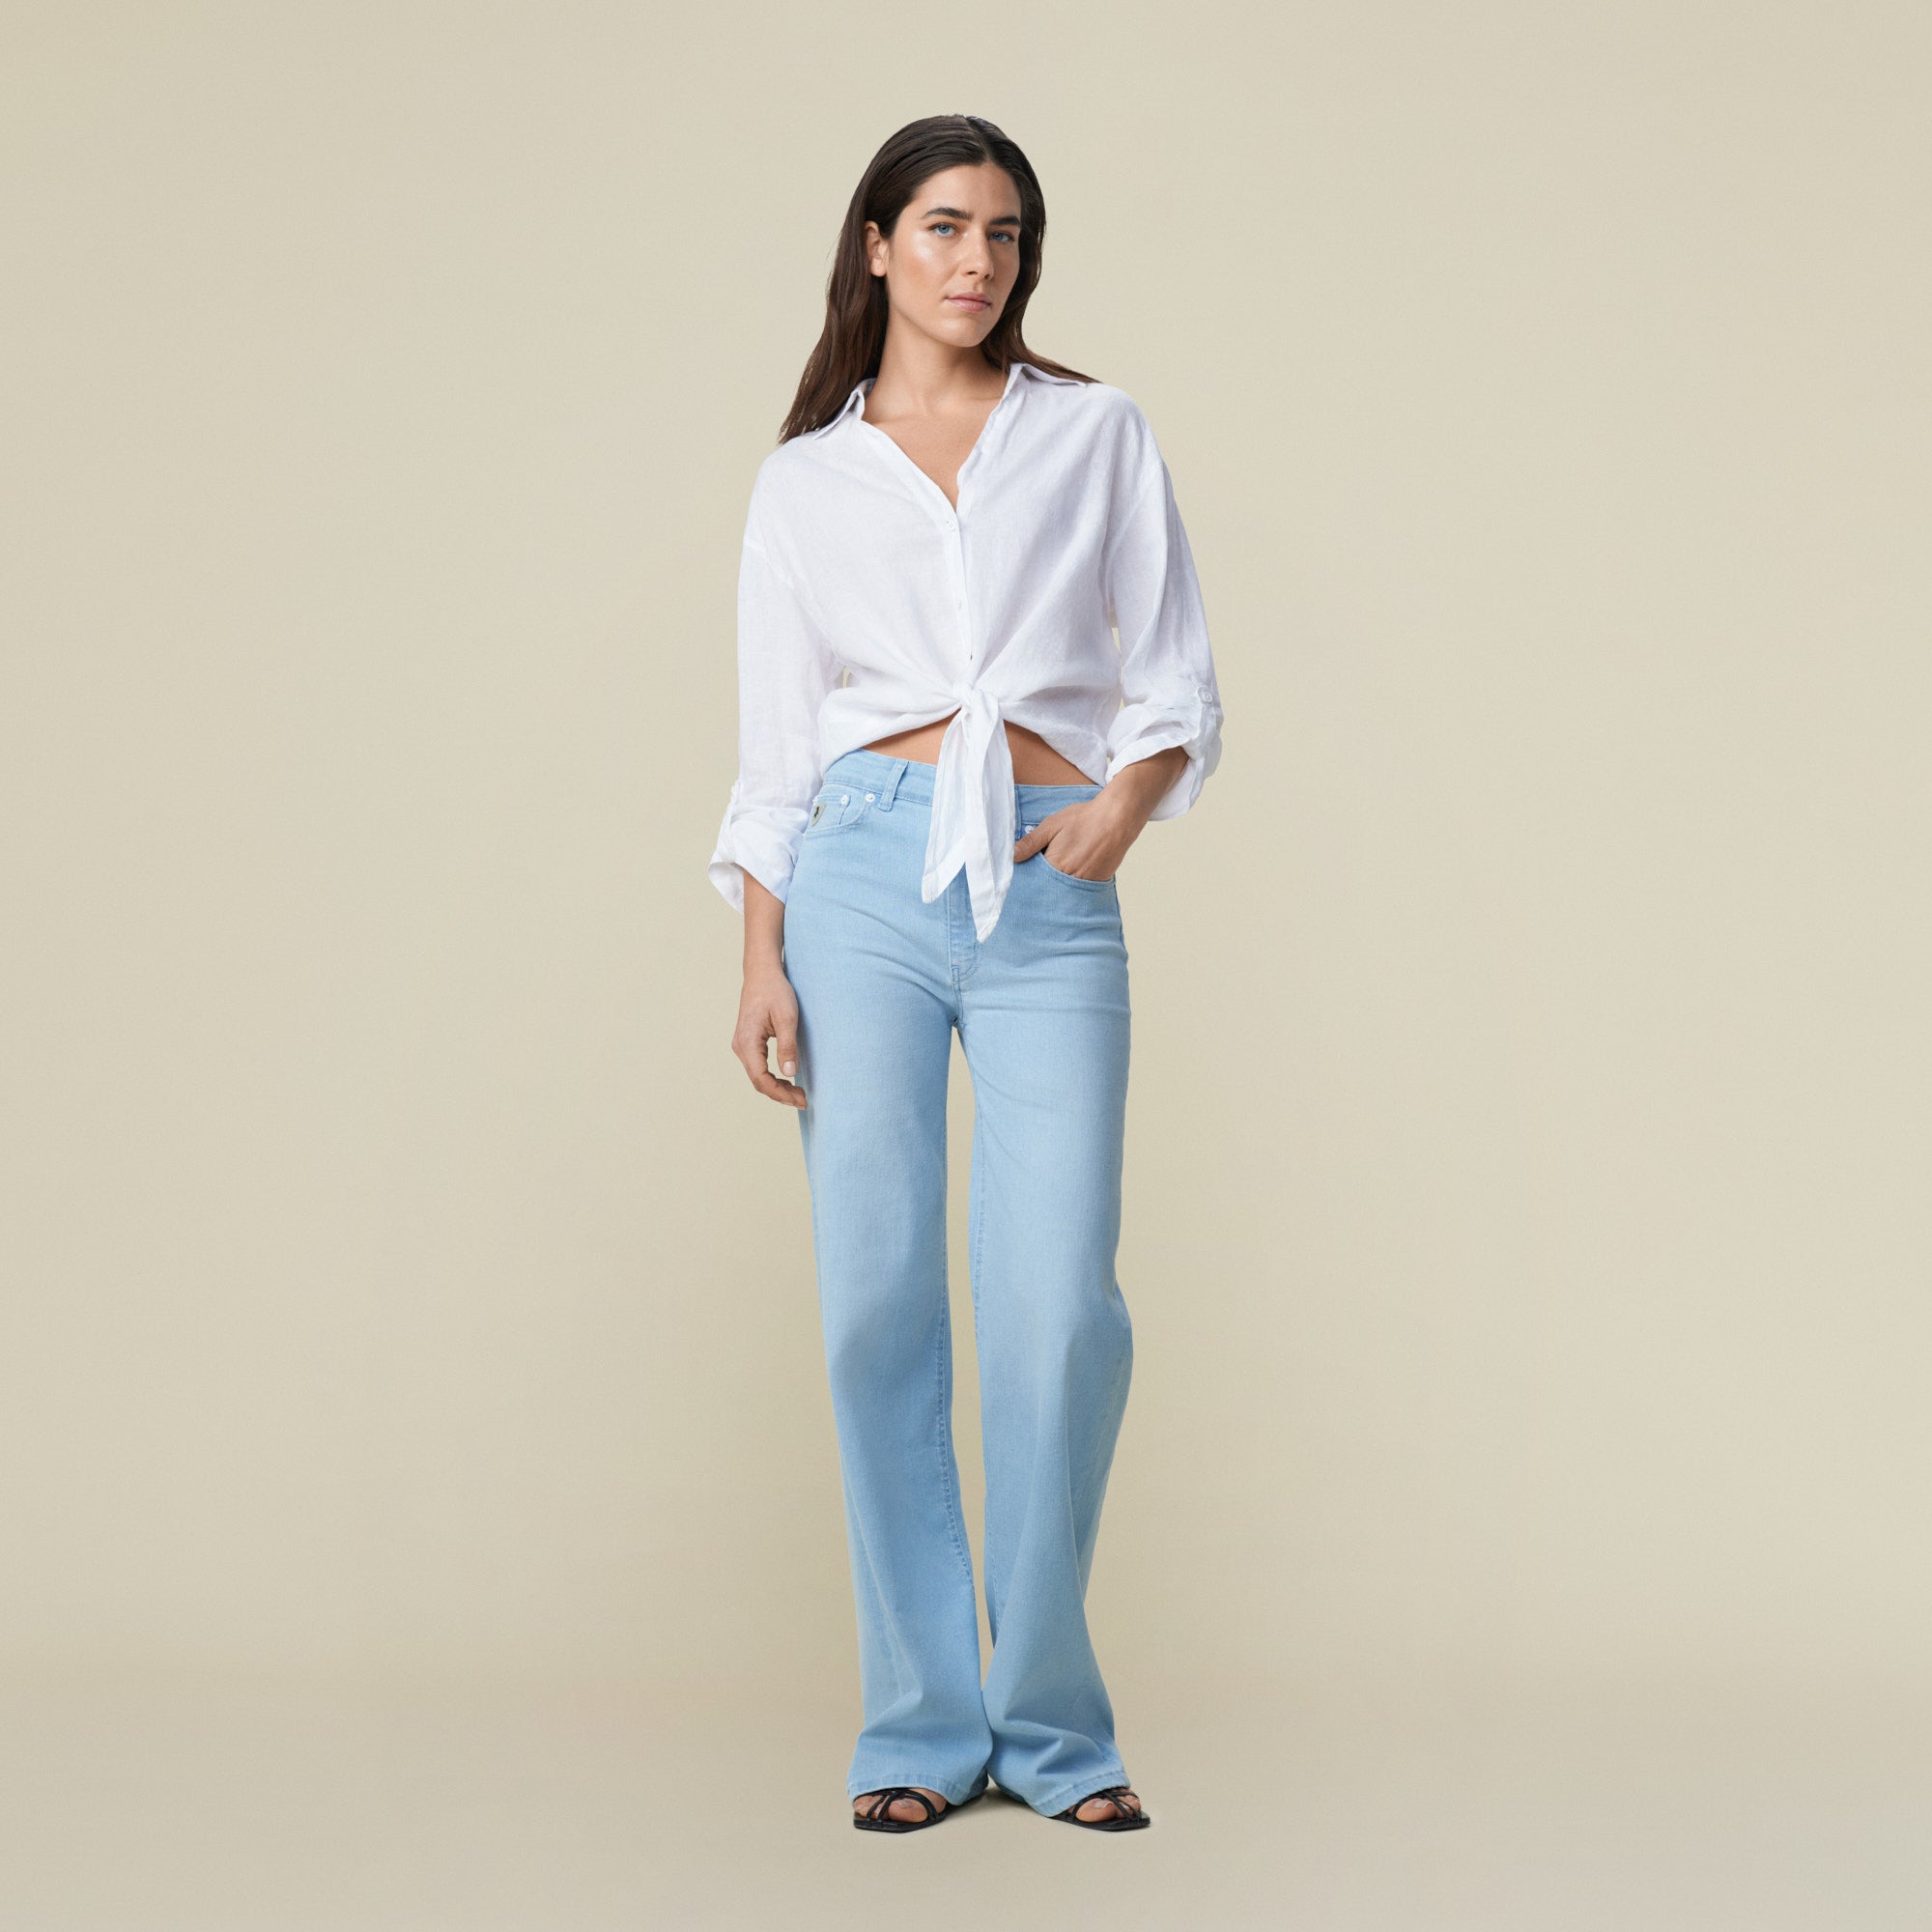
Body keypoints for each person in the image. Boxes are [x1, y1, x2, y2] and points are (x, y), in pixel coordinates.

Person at [707, 113, 1224, 1834]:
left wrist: (1118, 817)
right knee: (875, 1299)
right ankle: (922, 1726)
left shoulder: (1094, 433)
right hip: (857, 874)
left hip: (1046, 876)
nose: (975, 260)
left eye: (1003, 233)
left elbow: (1173, 673)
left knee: (1060, 1306)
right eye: (942, 226)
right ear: (876, 245)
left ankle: (1054, 1726)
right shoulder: (807, 481)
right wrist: (761, 956)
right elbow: (777, 750)